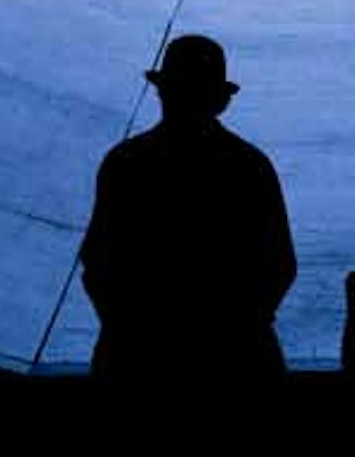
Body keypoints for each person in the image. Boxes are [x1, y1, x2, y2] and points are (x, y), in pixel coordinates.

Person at [76, 32, 298, 385]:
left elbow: (97, 261)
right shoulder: (248, 165)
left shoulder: (126, 163)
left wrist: (130, 329)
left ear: (162, 89)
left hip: (135, 358)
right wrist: (238, 325)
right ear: (221, 100)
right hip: (237, 359)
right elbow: (280, 265)